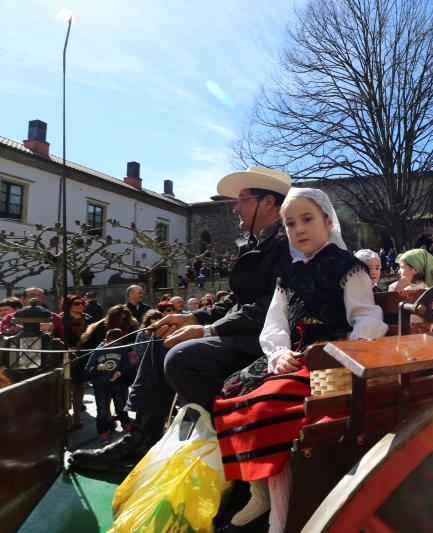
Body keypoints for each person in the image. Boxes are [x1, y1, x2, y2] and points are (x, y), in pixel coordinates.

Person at [69, 166, 293, 471]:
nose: (235, 207)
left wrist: (205, 330)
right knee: (152, 335)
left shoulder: (287, 244)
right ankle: (143, 435)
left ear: (268, 202)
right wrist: (189, 317)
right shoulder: (254, 244)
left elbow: (269, 308)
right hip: (241, 331)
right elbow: (234, 302)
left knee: (182, 356)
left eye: (242, 199)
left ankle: (229, 440)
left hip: (266, 341)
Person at [213, 188, 388, 531]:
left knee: (269, 405)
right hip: (294, 358)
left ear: (327, 221)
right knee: (231, 391)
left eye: (307, 219)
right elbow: (275, 323)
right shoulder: (288, 275)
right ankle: (259, 490)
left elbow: (366, 317)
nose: (299, 229)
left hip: (330, 358)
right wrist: (277, 352)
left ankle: (280, 517)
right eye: (290, 223)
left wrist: (348, 351)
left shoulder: (349, 268)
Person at [84, 328, 131, 444]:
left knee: (121, 406)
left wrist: (120, 372)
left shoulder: (122, 349)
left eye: (119, 343)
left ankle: (127, 426)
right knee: (102, 410)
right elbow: (88, 368)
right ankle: (103, 433)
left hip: (116, 382)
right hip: (100, 384)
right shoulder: (97, 351)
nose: (116, 346)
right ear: (106, 340)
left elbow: (126, 365)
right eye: (113, 344)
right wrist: (97, 368)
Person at [57, 294, 93, 430]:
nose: (80, 305)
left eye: (82, 303)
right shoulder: (61, 319)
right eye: (76, 303)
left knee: (79, 386)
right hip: (66, 356)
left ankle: (77, 415)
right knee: (66, 386)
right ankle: (67, 415)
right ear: (68, 305)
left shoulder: (88, 319)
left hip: (83, 354)